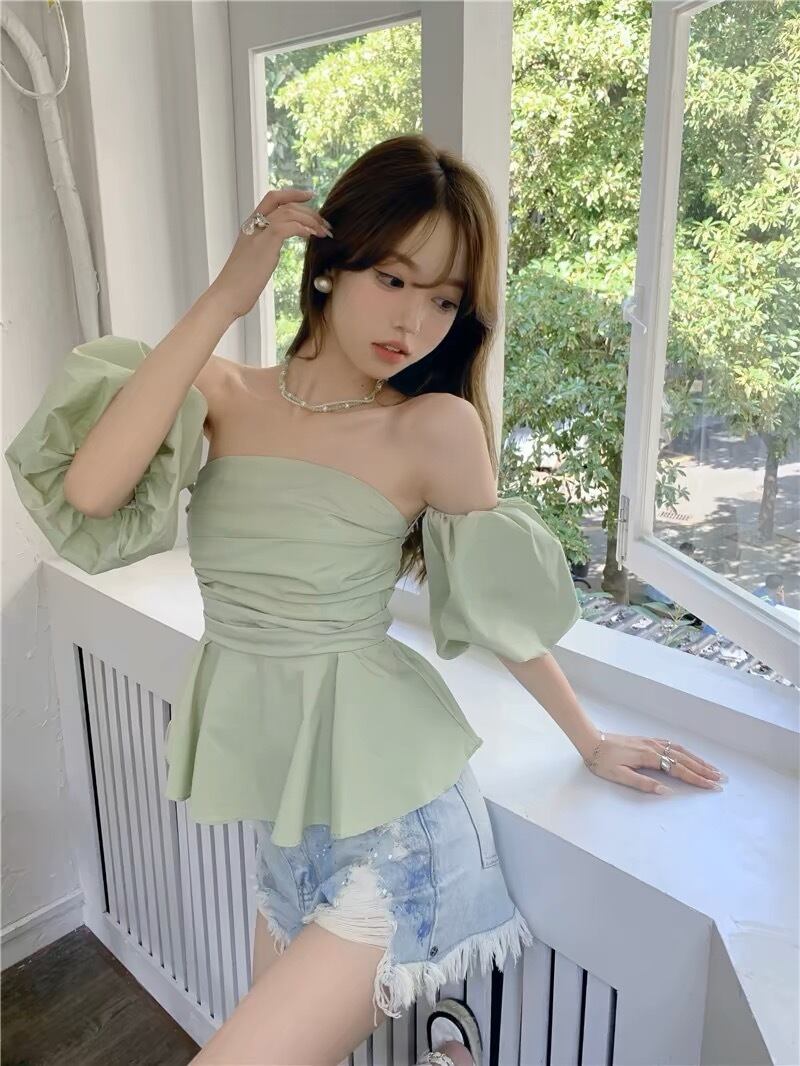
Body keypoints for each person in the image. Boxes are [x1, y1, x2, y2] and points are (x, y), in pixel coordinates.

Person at [4, 134, 726, 1066]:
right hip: (288, 825)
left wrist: (588, 739)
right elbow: (92, 490)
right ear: (328, 265)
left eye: (444, 300)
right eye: (392, 278)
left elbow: (495, 610)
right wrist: (228, 295)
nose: (414, 321)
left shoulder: (435, 428)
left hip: (400, 840)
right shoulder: (221, 394)